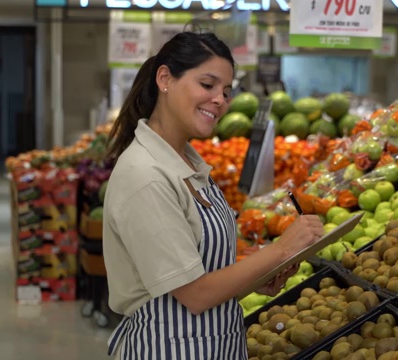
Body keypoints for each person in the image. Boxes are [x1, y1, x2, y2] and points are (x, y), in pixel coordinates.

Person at [103, 32, 323, 359]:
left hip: (215, 344)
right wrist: (282, 248)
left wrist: (253, 279)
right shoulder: (145, 175)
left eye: (226, 91)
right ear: (165, 78)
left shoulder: (189, 164)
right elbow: (195, 294)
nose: (220, 99)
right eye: (207, 85)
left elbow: (203, 271)